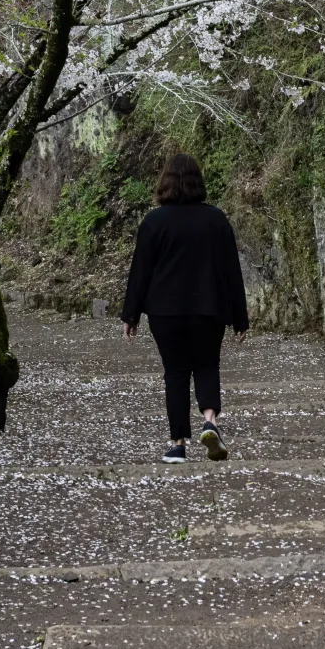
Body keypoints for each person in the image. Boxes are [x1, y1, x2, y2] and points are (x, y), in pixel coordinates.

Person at [121, 151, 249, 462]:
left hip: (165, 312)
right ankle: (210, 422)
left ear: (164, 182)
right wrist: (240, 317)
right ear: (198, 182)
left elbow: (141, 271)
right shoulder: (216, 219)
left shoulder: (154, 222)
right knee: (207, 364)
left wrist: (131, 314)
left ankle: (177, 444)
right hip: (209, 309)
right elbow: (232, 270)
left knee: (175, 372)